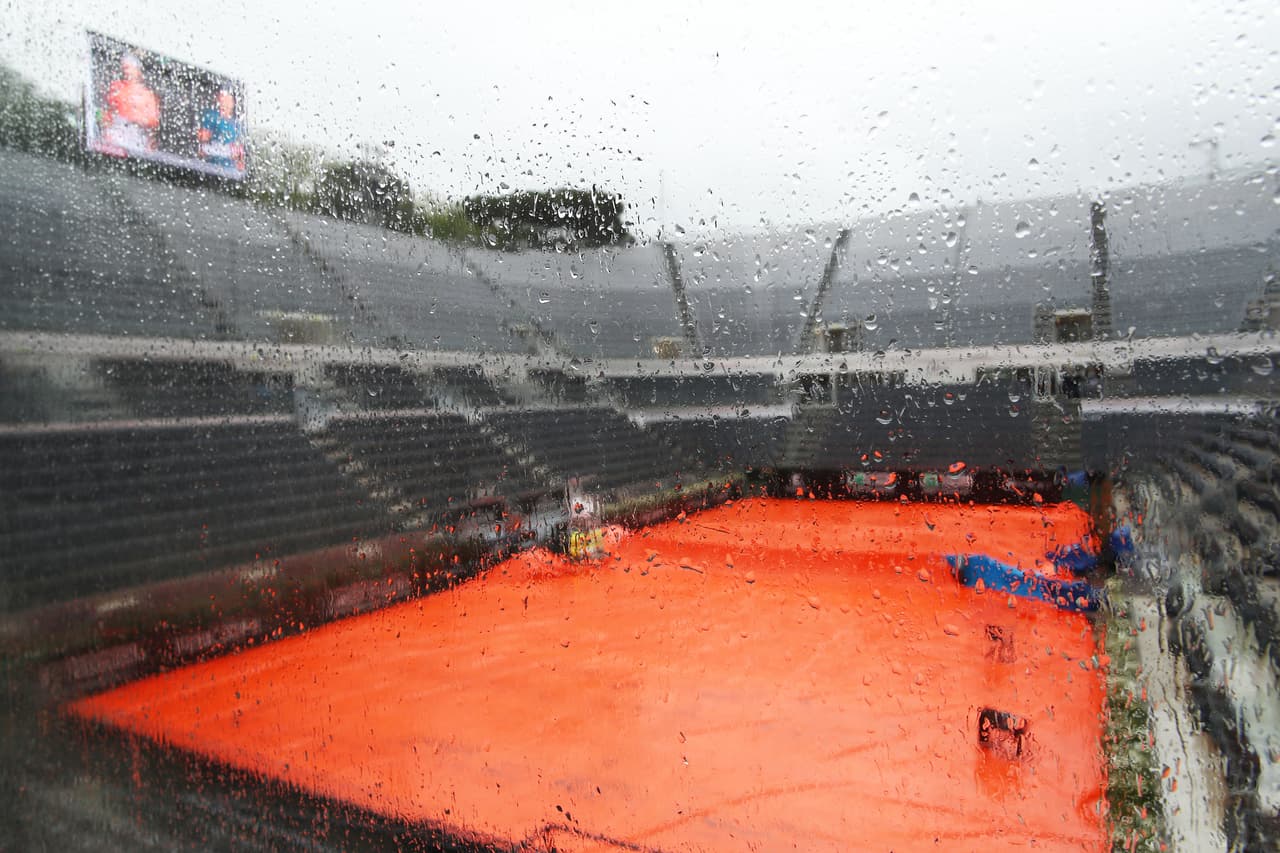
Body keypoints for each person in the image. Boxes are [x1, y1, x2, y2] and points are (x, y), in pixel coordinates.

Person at [100, 53, 160, 153]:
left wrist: (135, 120)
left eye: (129, 68)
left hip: (138, 136)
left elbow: (153, 122)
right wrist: (106, 129)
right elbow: (105, 113)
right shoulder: (115, 88)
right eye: (124, 68)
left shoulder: (148, 95)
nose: (126, 71)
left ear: (138, 71)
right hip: (117, 133)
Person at [198, 89, 245, 171]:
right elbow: (202, 143)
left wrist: (240, 162)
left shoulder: (238, 124)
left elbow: (240, 154)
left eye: (226, 95)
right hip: (211, 169)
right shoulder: (211, 117)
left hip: (231, 171)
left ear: (233, 101)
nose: (222, 99)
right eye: (221, 95)